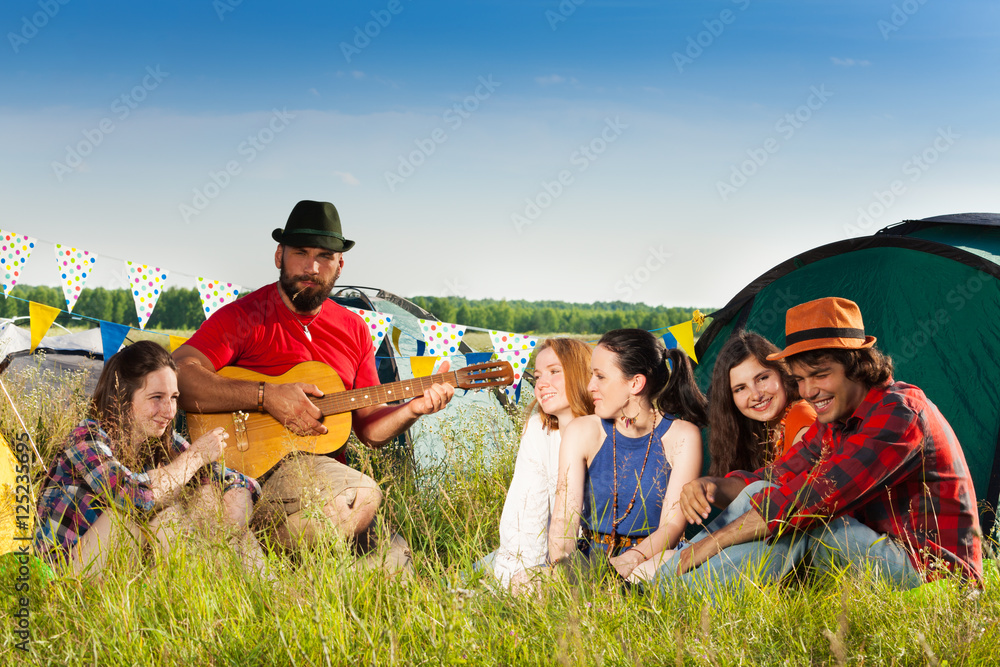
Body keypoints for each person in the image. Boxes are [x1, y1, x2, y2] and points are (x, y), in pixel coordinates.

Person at [173, 200, 455, 569]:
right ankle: (287, 563)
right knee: (363, 496)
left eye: (324, 255)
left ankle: (284, 573)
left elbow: (369, 428)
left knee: (395, 560)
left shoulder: (354, 329)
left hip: (321, 476)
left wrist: (413, 409)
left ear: (340, 264)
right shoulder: (244, 316)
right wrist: (266, 396)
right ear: (279, 256)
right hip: (249, 473)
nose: (311, 267)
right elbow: (178, 372)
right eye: (300, 253)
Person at [665, 297, 983, 592]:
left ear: (856, 364)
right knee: (757, 492)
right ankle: (664, 582)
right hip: (879, 550)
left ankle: (674, 595)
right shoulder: (836, 420)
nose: (808, 391)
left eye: (819, 375)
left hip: (935, 578)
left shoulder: (899, 416)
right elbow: (778, 475)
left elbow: (807, 500)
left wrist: (710, 543)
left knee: (805, 524)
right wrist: (712, 486)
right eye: (800, 379)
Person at [34, 341, 265, 578]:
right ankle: (206, 583)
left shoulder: (163, 441)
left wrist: (234, 510)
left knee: (211, 498)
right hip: (66, 575)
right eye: (156, 397)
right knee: (157, 511)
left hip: (122, 571)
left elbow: (240, 481)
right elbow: (136, 498)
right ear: (122, 398)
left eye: (174, 397)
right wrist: (195, 456)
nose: (169, 411)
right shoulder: (86, 438)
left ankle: (262, 598)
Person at [548, 329, 707, 583]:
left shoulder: (683, 436)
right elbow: (564, 517)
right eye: (592, 375)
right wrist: (561, 568)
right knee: (522, 582)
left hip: (647, 561)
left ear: (635, 383)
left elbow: (672, 527)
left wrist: (623, 564)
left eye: (600, 376)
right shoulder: (582, 431)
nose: (590, 386)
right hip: (589, 558)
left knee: (658, 568)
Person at [482, 338, 594, 589]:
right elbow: (525, 513)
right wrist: (515, 577)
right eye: (538, 375)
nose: (541, 384)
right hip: (552, 555)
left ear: (581, 373)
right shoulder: (538, 430)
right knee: (462, 583)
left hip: (601, 556)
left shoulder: (606, 431)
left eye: (554, 372)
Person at [707, 330, 816, 477]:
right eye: (740, 388)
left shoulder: (801, 415)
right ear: (729, 399)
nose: (756, 395)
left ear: (781, 372)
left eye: (762, 379)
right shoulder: (761, 433)